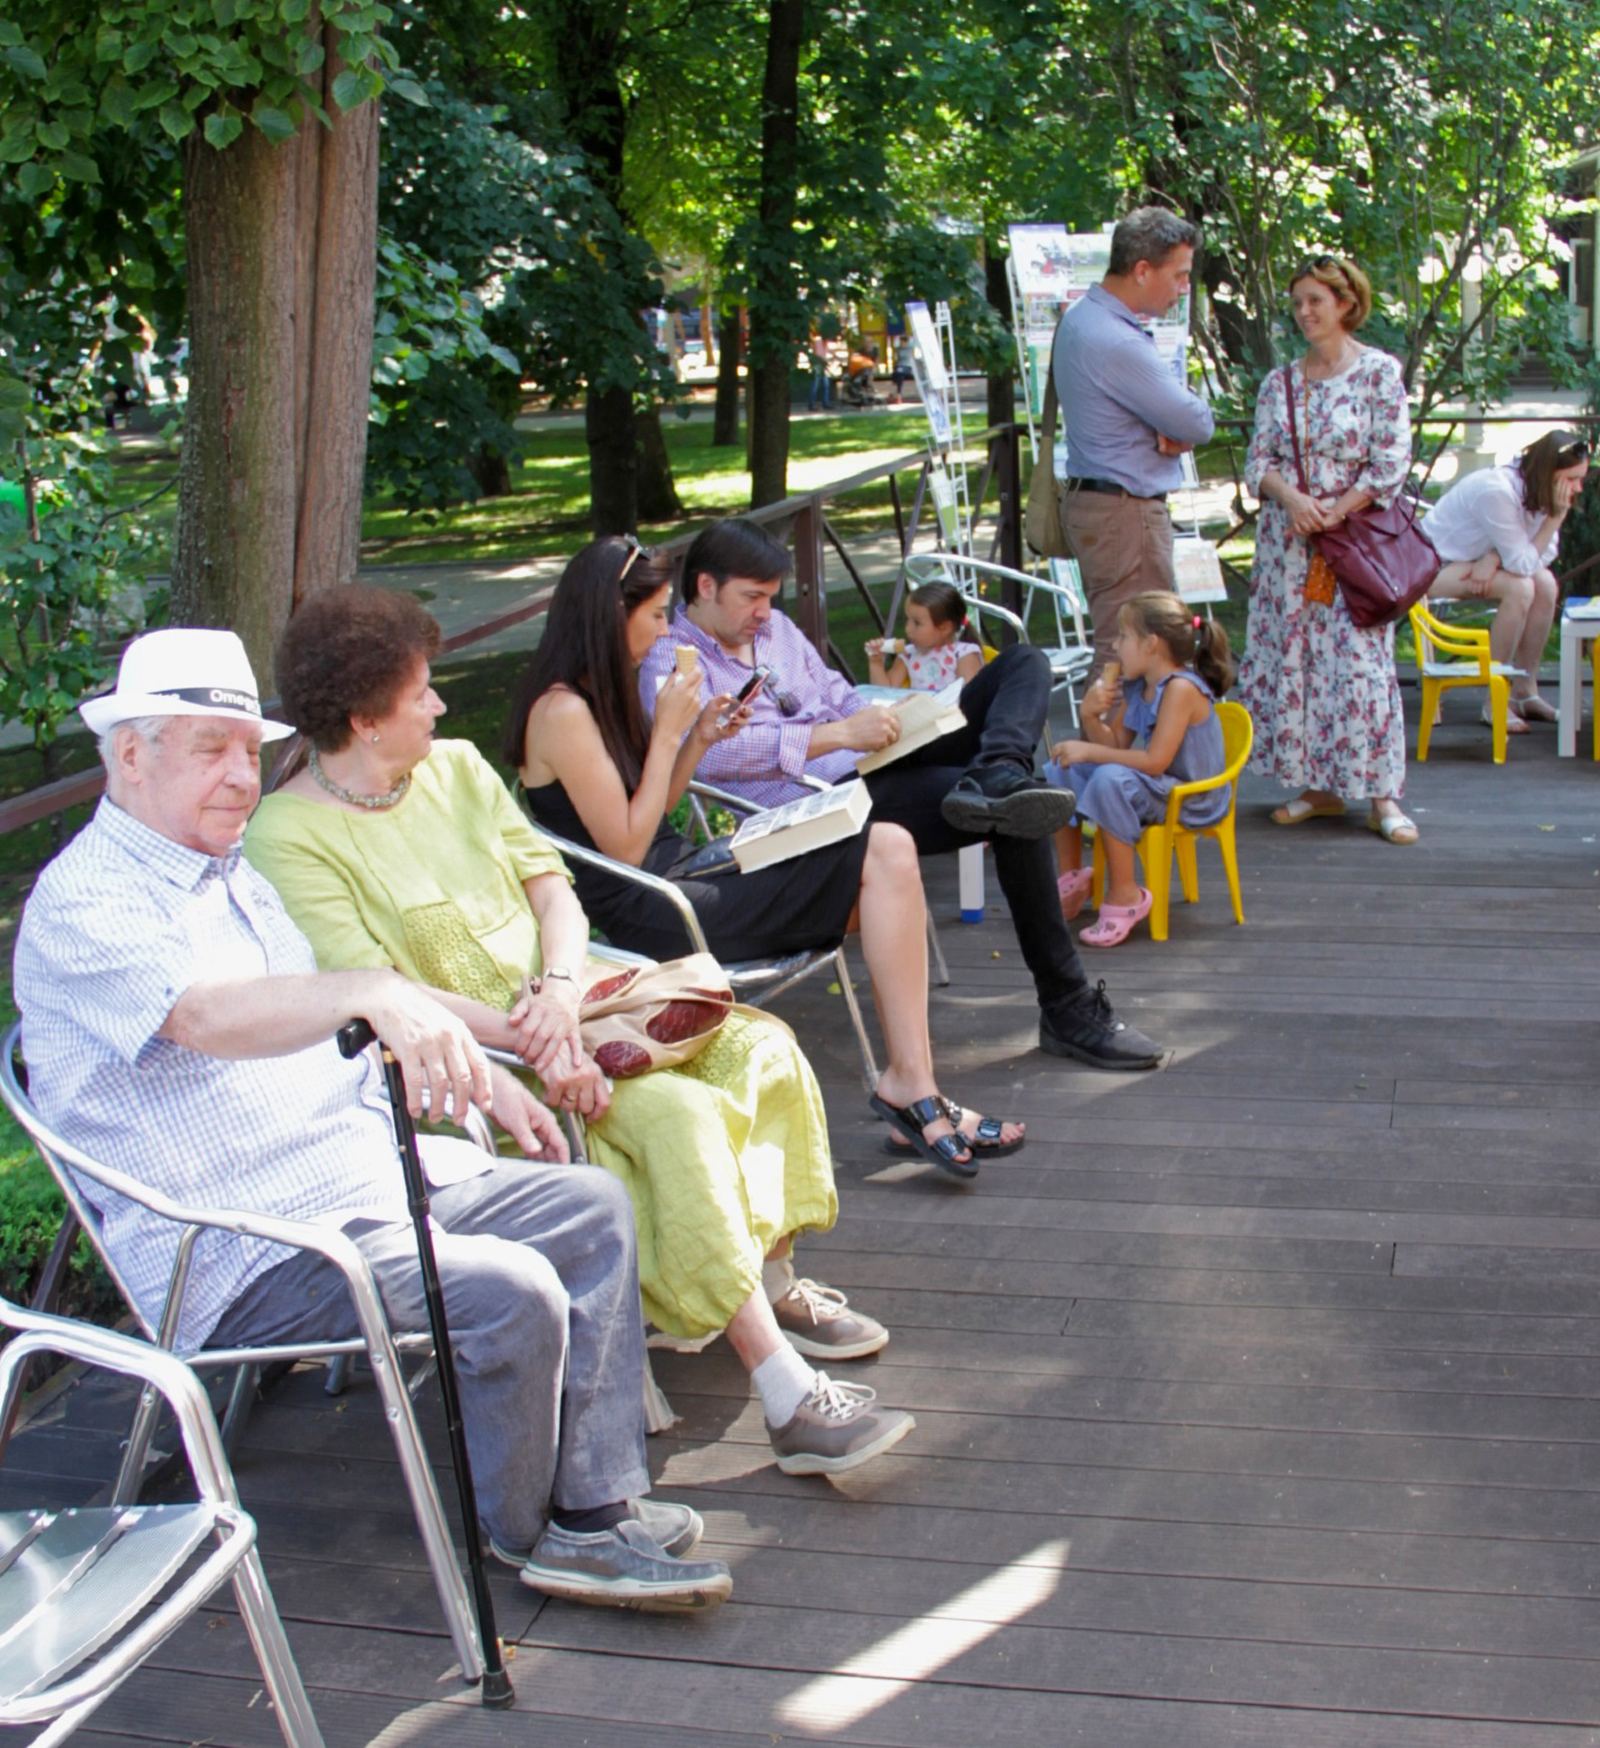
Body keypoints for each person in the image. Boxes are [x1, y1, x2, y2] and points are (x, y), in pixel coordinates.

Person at [13, 627, 734, 1610]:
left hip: (362, 1177)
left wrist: (484, 1077)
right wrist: (367, 988)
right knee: (510, 1285)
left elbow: (326, 1033)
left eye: (247, 749)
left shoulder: (232, 875)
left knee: (589, 1204)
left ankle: (595, 1505)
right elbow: (203, 1015)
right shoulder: (87, 900)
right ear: (131, 755)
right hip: (243, 1244)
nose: (240, 775)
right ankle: (525, 1534)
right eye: (208, 748)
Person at [245, 586, 915, 1482]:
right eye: (421, 694)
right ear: (365, 720)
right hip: (469, 1063)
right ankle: (784, 1390)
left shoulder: (453, 768)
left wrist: (562, 990)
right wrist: (531, 1040)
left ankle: (770, 1276)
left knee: (763, 1046)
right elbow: (382, 993)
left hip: (582, 999)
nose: (442, 705)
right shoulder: (288, 833)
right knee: (671, 1119)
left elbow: (550, 884)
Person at [506, 541, 1023, 1176]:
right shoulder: (560, 710)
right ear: (613, 613)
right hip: (654, 907)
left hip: (687, 871)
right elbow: (627, 847)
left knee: (888, 841)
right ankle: (912, 1087)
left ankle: (912, 1080)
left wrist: (697, 737)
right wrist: (670, 731)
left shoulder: (597, 693)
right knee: (885, 849)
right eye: (657, 614)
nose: (666, 629)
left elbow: (657, 804)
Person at [637, 518, 1165, 1072]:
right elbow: (709, 755)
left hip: (871, 763)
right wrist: (839, 736)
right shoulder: (671, 660)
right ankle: (1067, 1006)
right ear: (704, 587)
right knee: (1019, 812)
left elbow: (836, 692)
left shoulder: (775, 631)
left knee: (1021, 663)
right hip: (812, 809)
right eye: (752, 598)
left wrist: (876, 719)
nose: (765, 612)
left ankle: (999, 770)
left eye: (770, 597)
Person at [1237, 255, 1418, 846]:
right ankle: (1318, 786)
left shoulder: (1378, 375)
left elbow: (1390, 461)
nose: (1305, 313)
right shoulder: (1280, 382)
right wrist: (1292, 500)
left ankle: (1382, 794)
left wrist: (1331, 513)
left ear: (1345, 303)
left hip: (1351, 545)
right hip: (1289, 549)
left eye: (1315, 300)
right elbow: (1256, 463)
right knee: (1298, 662)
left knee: (1361, 666)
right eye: (1298, 303)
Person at [1053, 207, 1216, 673]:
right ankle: (1103, 748)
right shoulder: (1115, 339)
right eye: (1180, 275)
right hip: (1125, 514)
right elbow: (1196, 421)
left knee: (1124, 648)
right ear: (1142, 271)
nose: (1184, 288)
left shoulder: (1084, 318)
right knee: (1130, 655)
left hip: (1105, 507)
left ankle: (1112, 746)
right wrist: (1176, 428)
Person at [1045, 593, 1234, 947]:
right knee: (1063, 768)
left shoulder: (1180, 689)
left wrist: (1091, 749)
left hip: (1191, 796)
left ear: (1151, 644)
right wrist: (1089, 716)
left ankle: (1125, 896)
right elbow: (1116, 744)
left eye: (1122, 637)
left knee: (1107, 778)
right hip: (1159, 786)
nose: (1115, 646)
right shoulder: (1139, 685)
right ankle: (1074, 877)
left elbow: (1155, 761)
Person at [1422, 429, 1588, 730]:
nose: (1577, 488)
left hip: (1475, 560)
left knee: (1547, 584)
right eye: (1571, 479)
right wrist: (1553, 520)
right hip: (1431, 567)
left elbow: (1545, 553)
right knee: (1521, 587)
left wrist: (1495, 557)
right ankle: (1495, 702)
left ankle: (1525, 691)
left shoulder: (1537, 488)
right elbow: (1524, 562)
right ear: (1548, 473)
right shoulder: (1498, 491)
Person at [865, 581, 983, 692]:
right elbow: (885, 692)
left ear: (945, 628)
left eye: (917, 623)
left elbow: (970, 697)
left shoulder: (963, 654)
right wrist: (876, 663)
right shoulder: (909, 654)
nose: (908, 628)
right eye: (908, 619)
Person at [806, 331, 832, 412]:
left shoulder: (826, 344)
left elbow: (824, 355)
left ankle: (825, 403)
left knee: (826, 385)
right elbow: (816, 355)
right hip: (817, 366)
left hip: (822, 366)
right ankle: (811, 404)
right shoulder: (817, 343)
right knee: (815, 386)